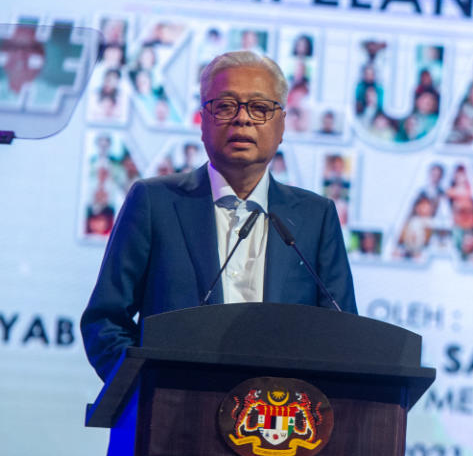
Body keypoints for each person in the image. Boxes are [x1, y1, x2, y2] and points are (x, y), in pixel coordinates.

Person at [81, 50, 357, 382]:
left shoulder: (316, 217)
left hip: (280, 421)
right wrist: (142, 390)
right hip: (170, 417)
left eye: (259, 108)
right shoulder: (154, 202)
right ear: (203, 121)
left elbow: (341, 335)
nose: (242, 119)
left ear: (282, 125)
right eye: (226, 106)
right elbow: (105, 321)